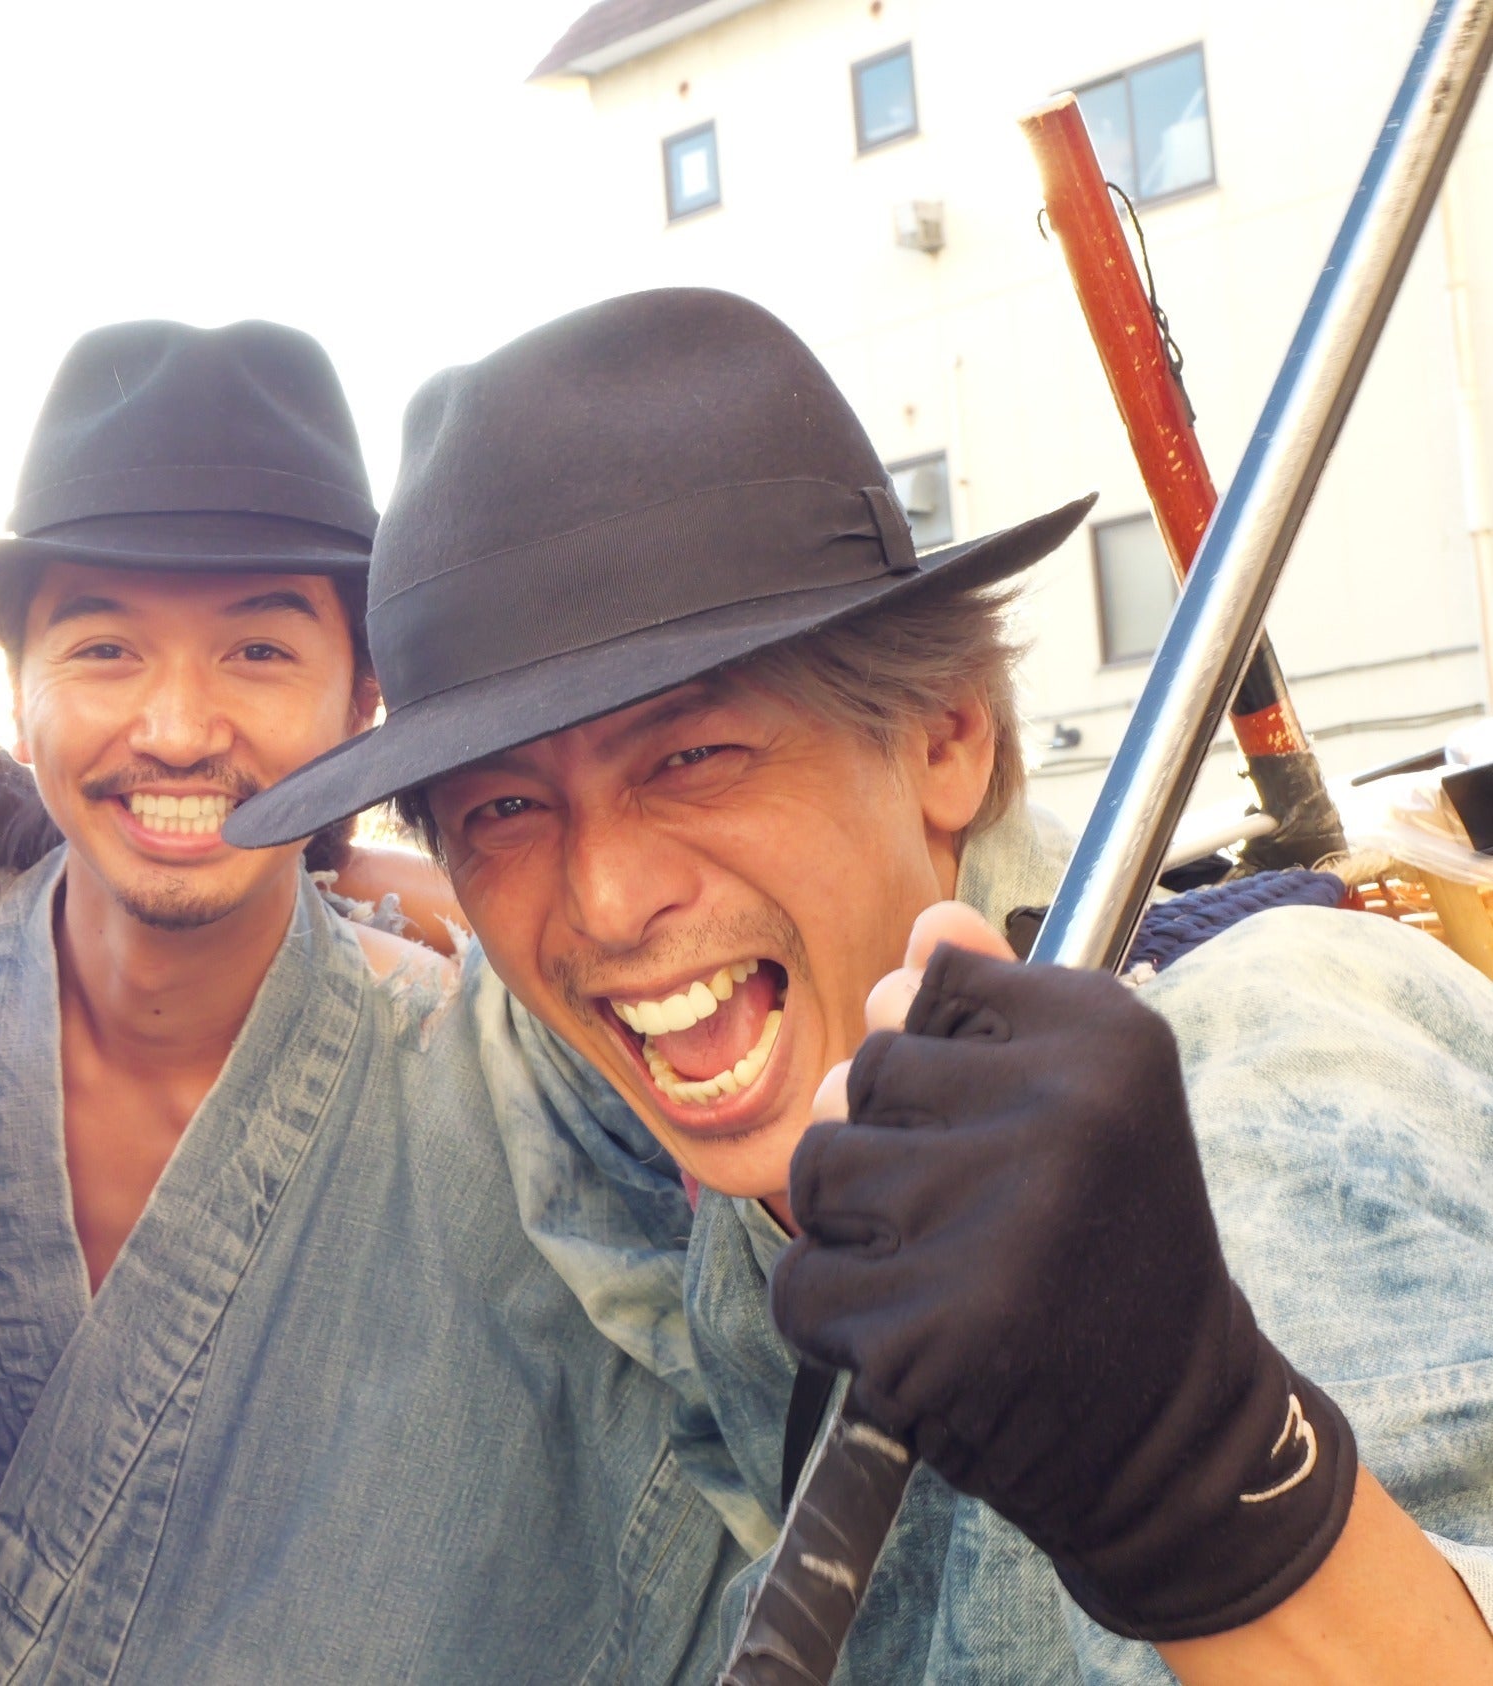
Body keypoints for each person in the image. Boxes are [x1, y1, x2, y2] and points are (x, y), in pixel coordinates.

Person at [224, 287, 1493, 1683]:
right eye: (504, 810)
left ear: (945, 734)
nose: (603, 900)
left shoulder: (1266, 1079)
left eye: (693, 757)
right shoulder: (726, 1123)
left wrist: (1208, 1481)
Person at [0, 319, 752, 1683]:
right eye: (104, 648)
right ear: (14, 687)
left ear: (364, 699)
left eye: (257, 652)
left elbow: (765, 1451)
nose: (179, 727)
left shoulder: (515, 1101)